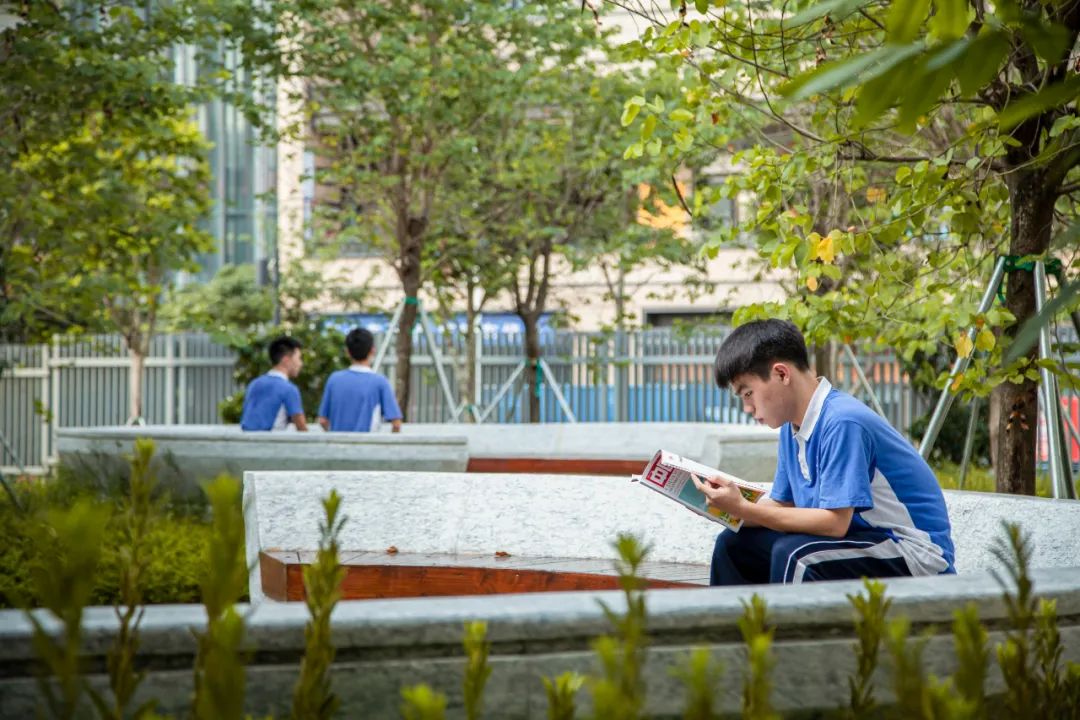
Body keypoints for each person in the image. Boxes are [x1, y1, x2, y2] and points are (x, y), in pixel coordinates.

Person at [696, 319, 955, 585]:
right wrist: (724, 507)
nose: (747, 408)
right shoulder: (791, 428)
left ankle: (787, 628)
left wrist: (744, 509)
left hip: (914, 553)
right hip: (859, 541)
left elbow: (834, 523)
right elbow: (785, 505)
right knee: (734, 545)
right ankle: (732, 627)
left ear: (782, 374)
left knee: (797, 557)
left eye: (748, 393)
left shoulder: (842, 421)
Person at [317, 327, 403, 432]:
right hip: (368, 445)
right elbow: (396, 423)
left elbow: (323, 420)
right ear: (372, 350)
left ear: (347, 352)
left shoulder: (334, 379)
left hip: (337, 445)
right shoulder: (380, 382)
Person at [239, 336, 308, 432]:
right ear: (286, 360)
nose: (301, 363)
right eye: (299, 358)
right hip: (272, 444)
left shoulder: (254, 384)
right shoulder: (289, 389)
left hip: (245, 443)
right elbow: (301, 427)